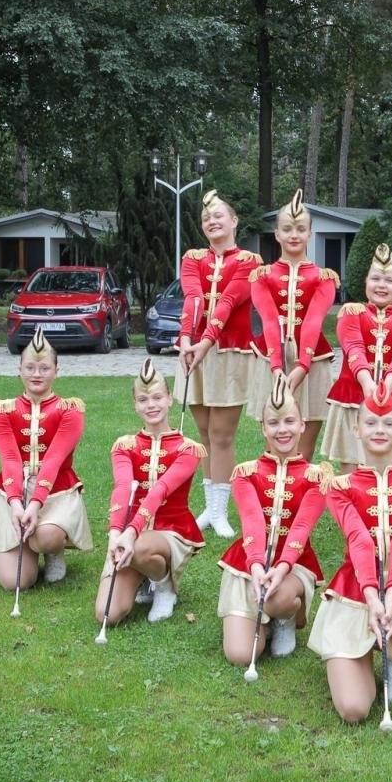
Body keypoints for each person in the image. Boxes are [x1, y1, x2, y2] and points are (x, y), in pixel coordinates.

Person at [309, 385, 392, 723]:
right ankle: (357, 653)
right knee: (353, 710)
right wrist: (372, 597)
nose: (379, 430)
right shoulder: (340, 487)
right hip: (354, 591)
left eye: (387, 423)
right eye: (370, 423)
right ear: (356, 429)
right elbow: (358, 539)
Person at [218, 374, 330, 666]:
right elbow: (252, 521)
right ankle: (261, 618)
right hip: (248, 564)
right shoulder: (245, 473)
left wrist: (280, 569)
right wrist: (256, 565)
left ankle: (286, 616)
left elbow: (301, 528)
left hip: (293, 566)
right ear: (263, 428)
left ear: (302, 425)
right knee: (241, 655)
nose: (283, 430)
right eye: (274, 423)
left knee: (277, 598)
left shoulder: (317, 476)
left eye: (290, 421)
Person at [95, 360, 205, 627]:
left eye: (157, 397)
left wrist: (131, 533)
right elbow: (122, 488)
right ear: (135, 404)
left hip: (170, 531)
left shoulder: (188, 449)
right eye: (143, 399)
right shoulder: (125, 445)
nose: (151, 405)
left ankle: (164, 585)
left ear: (169, 399)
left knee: (142, 547)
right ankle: (143, 577)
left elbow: (160, 490)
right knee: (107, 614)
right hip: (129, 534)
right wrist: (114, 535)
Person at [178, 189, 262, 538]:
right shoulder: (192, 257)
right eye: (205, 218)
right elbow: (193, 298)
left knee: (222, 435)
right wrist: (185, 339)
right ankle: (208, 509)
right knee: (203, 435)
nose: (212, 221)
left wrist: (205, 340)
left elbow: (228, 301)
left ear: (234, 221)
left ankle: (220, 512)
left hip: (228, 352)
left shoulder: (250, 261)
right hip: (193, 352)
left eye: (218, 216)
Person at [0, 328, 92, 592]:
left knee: (47, 537)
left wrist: (34, 505)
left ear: (57, 370)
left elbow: (54, 460)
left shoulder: (70, 410)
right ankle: (25, 544)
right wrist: (15, 504)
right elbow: (9, 459)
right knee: (16, 583)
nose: (36, 374)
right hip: (13, 489)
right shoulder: (2, 410)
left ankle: (51, 550)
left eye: (44, 368)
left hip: (56, 490)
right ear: (19, 369)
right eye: (30, 367)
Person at [248, 188, 338, 460]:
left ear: (310, 233)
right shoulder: (261, 275)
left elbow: (313, 321)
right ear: (276, 234)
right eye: (287, 229)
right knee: (274, 442)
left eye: (301, 228)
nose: (294, 235)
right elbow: (269, 321)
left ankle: (301, 501)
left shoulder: (324, 277)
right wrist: (277, 367)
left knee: (305, 446)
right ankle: (273, 501)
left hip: (312, 359)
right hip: (270, 358)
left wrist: (302, 367)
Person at [323, 244, 392, 471]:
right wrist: (367, 383)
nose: (381, 285)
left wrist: (387, 387)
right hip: (353, 396)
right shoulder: (351, 312)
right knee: (351, 468)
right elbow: (354, 349)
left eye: (389, 281)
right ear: (366, 282)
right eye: (375, 279)